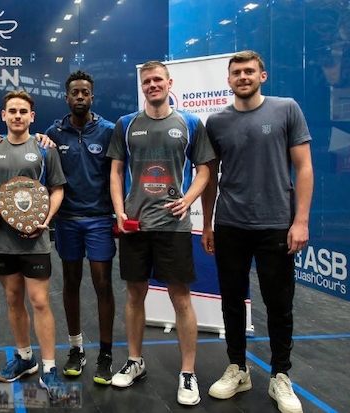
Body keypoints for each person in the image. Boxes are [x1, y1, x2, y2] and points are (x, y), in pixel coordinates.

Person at [202, 50, 313, 413]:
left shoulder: (286, 109)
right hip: (231, 224)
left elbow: (305, 167)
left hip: (276, 225)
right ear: (229, 79)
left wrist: (300, 221)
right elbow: (209, 179)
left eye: (250, 71)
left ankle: (281, 374)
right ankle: (238, 368)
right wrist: (207, 223)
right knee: (232, 302)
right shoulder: (216, 122)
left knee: (279, 305)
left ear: (262, 76)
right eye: (237, 72)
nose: (243, 76)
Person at [107, 61, 216, 406]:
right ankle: (135, 360)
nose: (152, 85)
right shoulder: (126, 125)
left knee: (181, 298)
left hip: (173, 227)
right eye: (147, 81)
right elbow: (115, 171)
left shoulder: (190, 123)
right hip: (135, 226)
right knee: (134, 295)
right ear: (142, 86)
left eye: (157, 80)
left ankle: (188, 373)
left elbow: (205, 170)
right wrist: (119, 211)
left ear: (169, 83)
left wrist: (188, 198)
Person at [0, 90, 67, 400]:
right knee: (13, 298)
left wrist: (46, 217)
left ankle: (50, 368)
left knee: (40, 301)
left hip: (36, 239)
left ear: (32, 116)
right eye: (12, 111)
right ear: (3, 116)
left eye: (23, 111)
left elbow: (56, 190)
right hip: (2, 240)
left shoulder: (45, 151)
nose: (17, 115)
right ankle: (25, 357)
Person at [45, 70, 116, 385]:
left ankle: (105, 354)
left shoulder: (109, 132)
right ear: (66, 96)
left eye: (85, 92)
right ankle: (76, 349)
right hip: (67, 221)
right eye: (74, 92)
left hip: (100, 219)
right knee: (70, 283)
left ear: (92, 96)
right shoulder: (53, 133)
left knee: (103, 284)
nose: (79, 97)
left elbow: (118, 176)